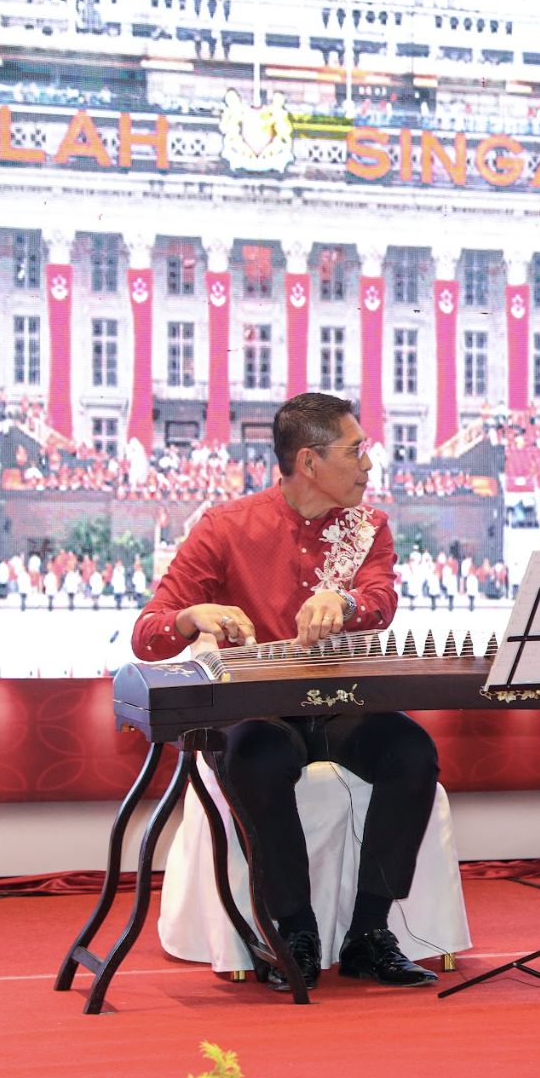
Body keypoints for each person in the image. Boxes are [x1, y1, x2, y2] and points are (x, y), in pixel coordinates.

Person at [131, 393, 440, 992]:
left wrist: (345, 601)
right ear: (310, 461)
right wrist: (194, 615)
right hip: (259, 711)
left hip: (336, 701)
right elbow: (148, 636)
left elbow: (381, 603)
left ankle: (369, 934)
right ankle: (292, 928)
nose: (368, 465)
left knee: (411, 752)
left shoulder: (367, 527)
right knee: (256, 757)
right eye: (355, 451)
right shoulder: (225, 527)